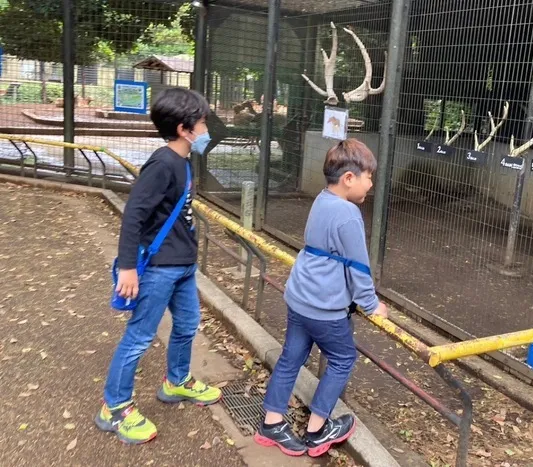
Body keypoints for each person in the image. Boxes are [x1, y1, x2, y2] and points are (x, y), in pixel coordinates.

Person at [95, 88, 221, 445]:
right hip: (159, 268)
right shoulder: (163, 163)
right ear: (184, 129)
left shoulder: (181, 162)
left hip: (182, 265)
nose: (206, 127)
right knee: (139, 337)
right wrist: (128, 267)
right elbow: (133, 215)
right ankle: (114, 408)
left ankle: (176, 382)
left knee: (187, 325)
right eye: (202, 122)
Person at [254, 139, 389, 458]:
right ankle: (317, 430)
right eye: (369, 176)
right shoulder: (348, 214)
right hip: (324, 308)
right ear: (349, 178)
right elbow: (358, 267)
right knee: (343, 359)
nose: (371, 183)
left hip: (299, 297)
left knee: (291, 357)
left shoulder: (322, 199)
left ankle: (272, 423)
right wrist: (372, 305)